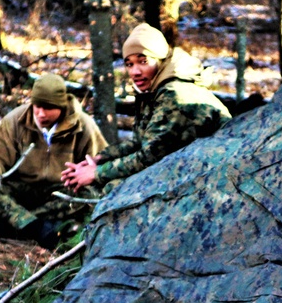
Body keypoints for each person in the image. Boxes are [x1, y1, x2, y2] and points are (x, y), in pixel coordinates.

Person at [61, 23, 231, 194]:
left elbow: (150, 156)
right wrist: (100, 159)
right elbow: (140, 141)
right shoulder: (158, 89)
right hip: (193, 164)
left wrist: (97, 173)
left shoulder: (175, 94)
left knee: (115, 189)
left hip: (217, 172)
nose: (135, 71)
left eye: (143, 61)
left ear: (160, 60)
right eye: (129, 64)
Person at [0, 73, 108, 248]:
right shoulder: (15, 120)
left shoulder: (83, 125)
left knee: (88, 196)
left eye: (48, 107)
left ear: (61, 106)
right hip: (20, 189)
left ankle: (18, 224)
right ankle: (35, 227)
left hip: (59, 192)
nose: (40, 113)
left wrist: (88, 174)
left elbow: (101, 163)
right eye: (37, 106)